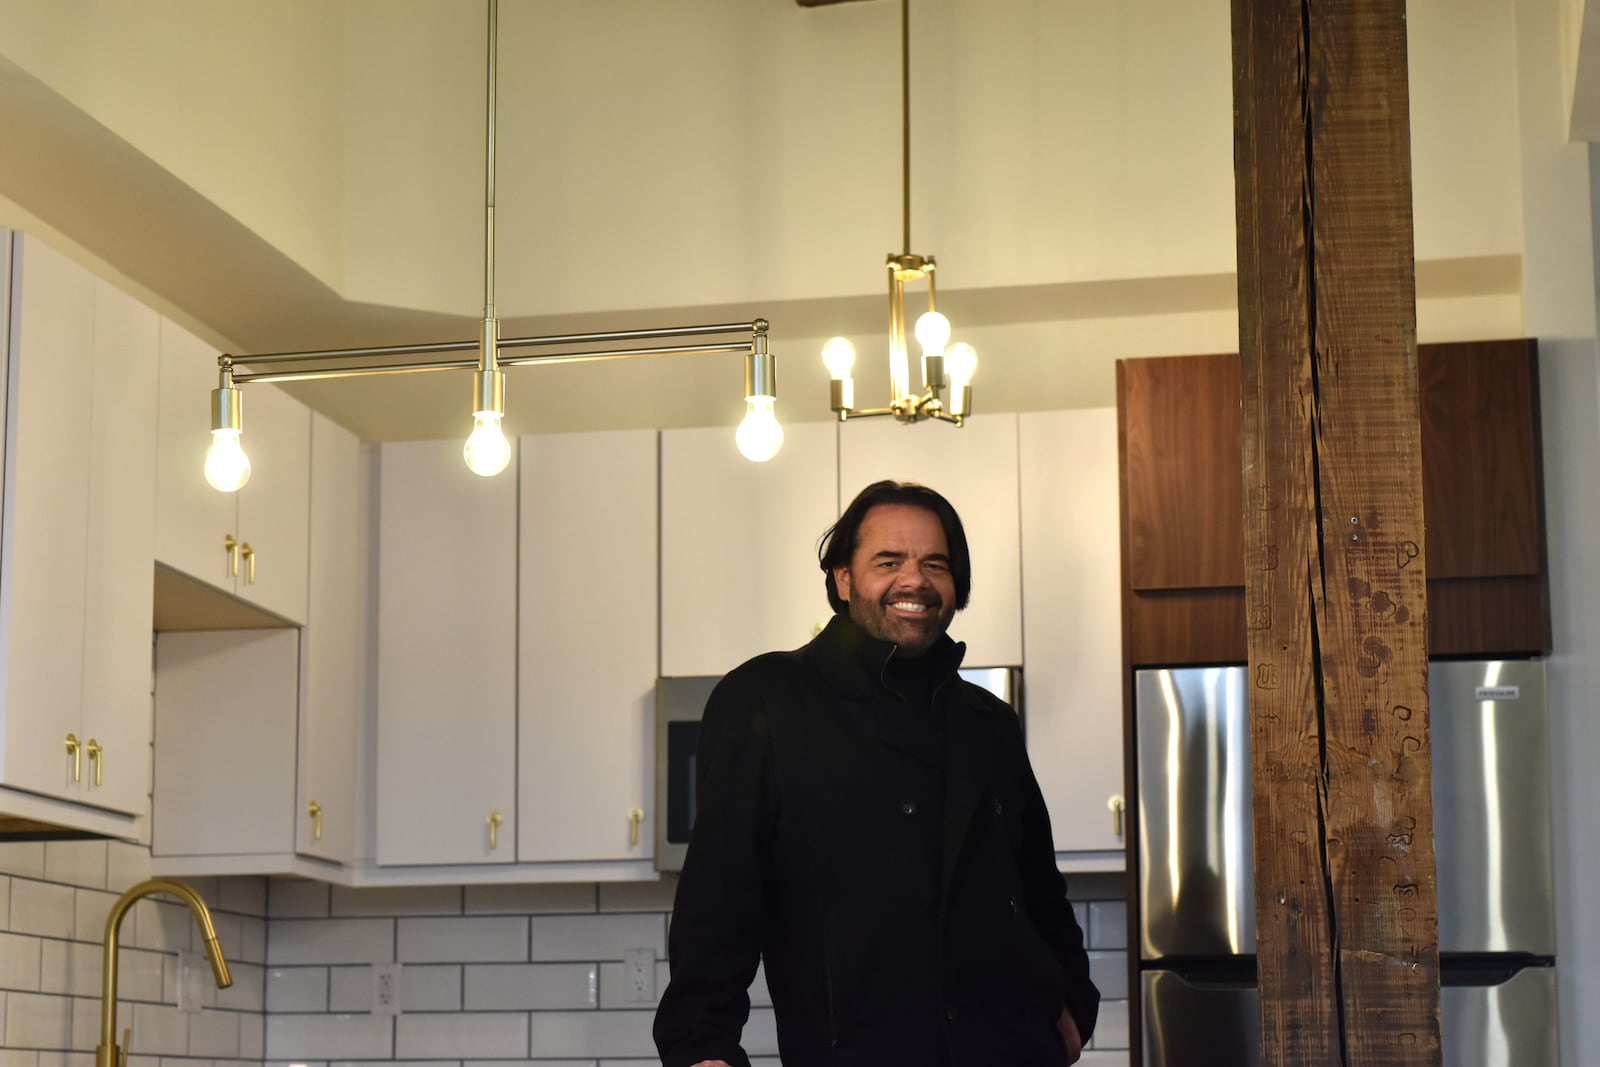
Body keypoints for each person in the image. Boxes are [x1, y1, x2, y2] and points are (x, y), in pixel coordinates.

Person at [653, 480, 1100, 1067]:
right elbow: (718, 900)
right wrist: (700, 1047)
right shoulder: (767, 699)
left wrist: (1073, 1005)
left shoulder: (988, 720)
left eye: (934, 564)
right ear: (843, 579)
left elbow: (1040, 886)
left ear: (956, 585)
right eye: (888, 561)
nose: (914, 581)